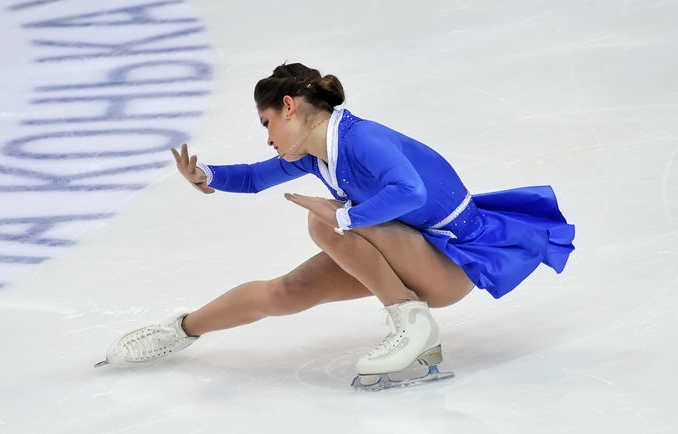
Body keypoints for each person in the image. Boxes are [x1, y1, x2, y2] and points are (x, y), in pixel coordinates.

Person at [95, 63, 575, 390]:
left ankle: (412, 323)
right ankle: (180, 330)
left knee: (324, 222)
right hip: (410, 251)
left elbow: (412, 192)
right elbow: (254, 177)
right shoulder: (316, 155)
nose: (267, 138)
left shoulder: (361, 139)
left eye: (267, 123)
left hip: (452, 261)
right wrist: (207, 177)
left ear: (289, 107)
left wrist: (343, 215)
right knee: (288, 290)